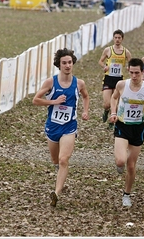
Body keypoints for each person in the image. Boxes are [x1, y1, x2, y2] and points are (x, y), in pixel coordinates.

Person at [32, 48, 90, 207]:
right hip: (53, 127)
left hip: (69, 127)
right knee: (56, 160)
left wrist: (85, 111)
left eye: (70, 62)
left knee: (64, 159)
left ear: (73, 63)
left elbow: (86, 96)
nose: (67, 65)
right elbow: (35, 100)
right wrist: (53, 102)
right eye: (64, 63)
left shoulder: (79, 83)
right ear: (59, 64)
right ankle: (60, 176)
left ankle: (56, 193)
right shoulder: (51, 82)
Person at [109, 58, 144, 207]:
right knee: (121, 161)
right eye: (131, 72)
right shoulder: (121, 85)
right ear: (128, 71)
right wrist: (113, 112)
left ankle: (127, 194)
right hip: (122, 125)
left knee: (131, 165)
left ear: (143, 72)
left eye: (137, 73)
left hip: (138, 128)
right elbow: (113, 99)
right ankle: (119, 164)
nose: (134, 76)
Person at [98, 29, 132, 129]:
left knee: (116, 104)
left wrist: (128, 68)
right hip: (108, 78)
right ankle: (106, 111)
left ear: (122, 39)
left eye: (119, 38)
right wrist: (104, 67)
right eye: (115, 38)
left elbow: (131, 63)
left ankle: (112, 123)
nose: (117, 40)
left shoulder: (126, 52)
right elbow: (100, 61)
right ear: (113, 38)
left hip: (119, 80)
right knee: (107, 104)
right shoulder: (108, 50)